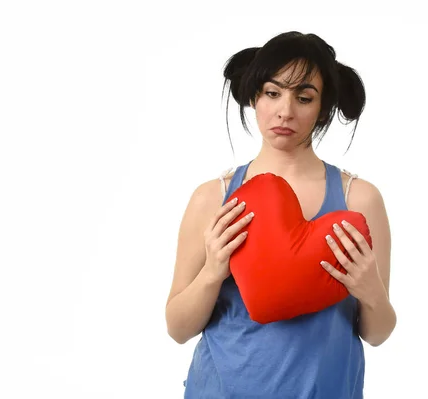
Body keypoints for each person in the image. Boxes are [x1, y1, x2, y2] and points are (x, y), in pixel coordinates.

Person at [165, 31, 397, 398]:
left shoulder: (359, 200)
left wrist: (371, 293)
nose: (285, 111)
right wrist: (213, 271)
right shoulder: (213, 198)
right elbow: (177, 328)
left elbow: (378, 332)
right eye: (272, 93)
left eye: (304, 97)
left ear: (323, 108)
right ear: (254, 97)